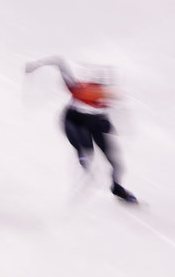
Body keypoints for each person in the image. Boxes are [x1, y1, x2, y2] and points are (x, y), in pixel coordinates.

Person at [24, 55, 137, 203]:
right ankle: (88, 166)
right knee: (88, 151)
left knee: (112, 161)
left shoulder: (90, 92)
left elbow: (59, 63)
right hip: (75, 122)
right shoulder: (82, 91)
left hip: (90, 123)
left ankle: (115, 187)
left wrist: (36, 65)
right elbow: (59, 63)